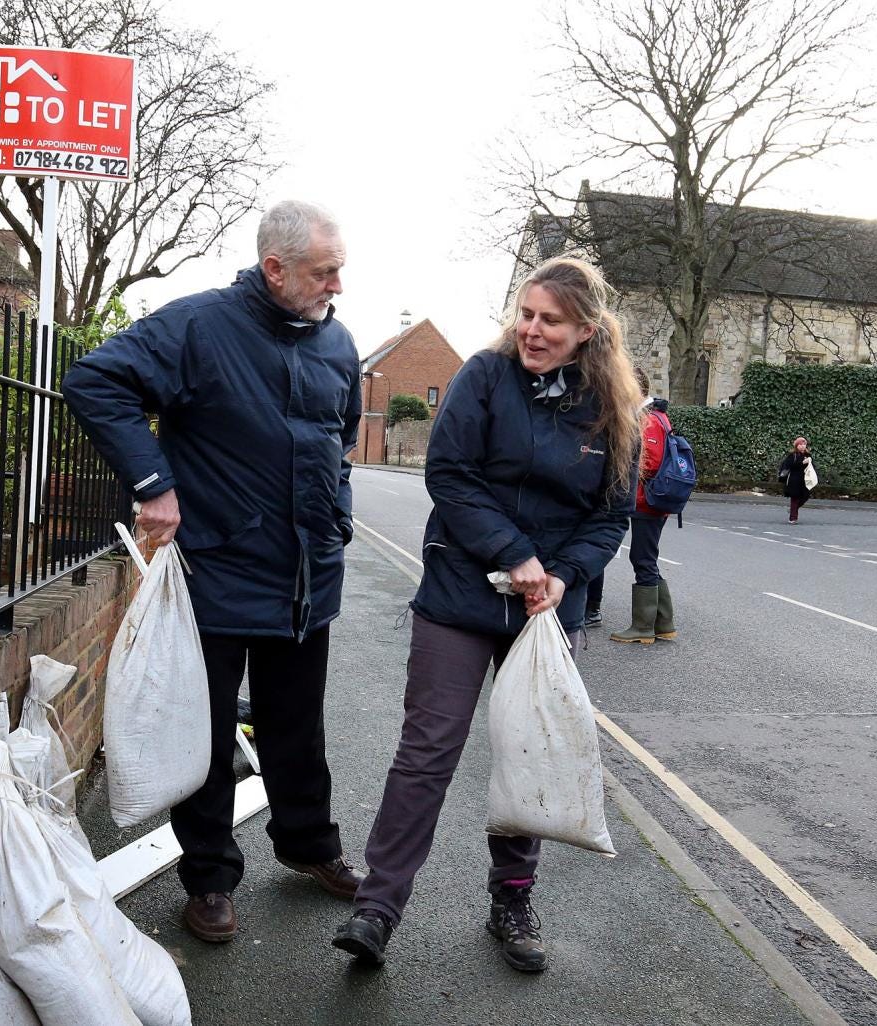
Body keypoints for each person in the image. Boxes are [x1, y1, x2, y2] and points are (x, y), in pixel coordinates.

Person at [62, 200, 364, 945]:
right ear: (276, 268)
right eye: (325, 272)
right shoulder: (198, 327)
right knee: (207, 736)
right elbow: (95, 381)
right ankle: (209, 880)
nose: (337, 286)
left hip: (306, 578)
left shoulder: (339, 342)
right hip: (220, 569)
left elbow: (339, 441)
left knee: (299, 728)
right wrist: (152, 483)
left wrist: (340, 516)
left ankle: (307, 846)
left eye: (339, 271)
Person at [331, 256, 640, 972]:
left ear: (586, 330)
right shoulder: (483, 377)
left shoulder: (612, 408)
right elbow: (451, 475)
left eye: (550, 321)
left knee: (526, 749)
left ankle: (513, 899)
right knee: (428, 749)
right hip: (462, 595)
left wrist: (562, 575)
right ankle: (378, 907)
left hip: (544, 609)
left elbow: (610, 516)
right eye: (526, 314)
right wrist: (513, 551)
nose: (531, 330)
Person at [609, 368, 677, 644]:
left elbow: (647, 462)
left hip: (646, 502)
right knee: (646, 557)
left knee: (643, 558)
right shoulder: (656, 416)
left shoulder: (649, 420)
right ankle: (663, 623)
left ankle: (644, 627)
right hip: (651, 502)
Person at [779, 436, 815, 524]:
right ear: (796, 446)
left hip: (805, 479)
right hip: (794, 479)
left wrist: (810, 462)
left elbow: (811, 467)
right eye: (800, 444)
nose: (802, 446)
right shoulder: (792, 455)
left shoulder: (808, 455)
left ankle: (793, 510)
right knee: (795, 498)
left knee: (805, 496)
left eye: (804, 444)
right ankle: (793, 518)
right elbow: (789, 466)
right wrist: (802, 462)